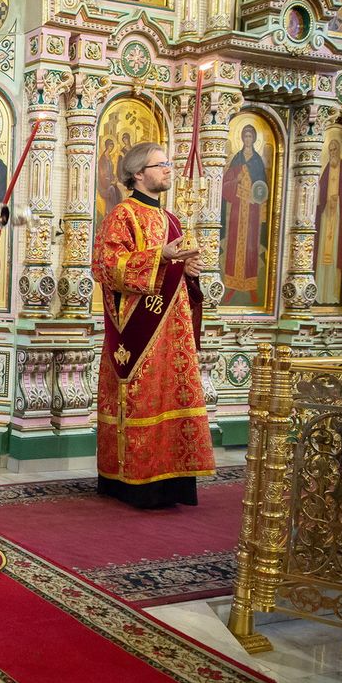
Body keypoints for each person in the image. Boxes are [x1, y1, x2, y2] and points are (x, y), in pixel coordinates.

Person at [91, 142, 215, 508]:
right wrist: (161, 255)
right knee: (141, 397)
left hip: (173, 331)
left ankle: (172, 482)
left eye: (168, 163)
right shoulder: (122, 215)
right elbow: (106, 267)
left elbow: (177, 272)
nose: (168, 169)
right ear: (137, 174)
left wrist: (188, 270)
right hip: (138, 331)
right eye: (160, 164)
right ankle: (134, 483)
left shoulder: (172, 219)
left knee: (172, 394)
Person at [221, 125, 268, 305]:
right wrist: (236, 179)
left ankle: (251, 286)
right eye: (245, 136)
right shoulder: (237, 158)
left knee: (250, 246)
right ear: (242, 138)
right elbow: (226, 184)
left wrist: (256, 195)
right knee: (234, 244)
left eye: (250, 136)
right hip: (237, 208)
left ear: (254, 139)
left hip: (252, 211)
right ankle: (232, 286)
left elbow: (263, 188)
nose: (248, 139)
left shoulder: (257, 161)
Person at [315, 137, 342, 305]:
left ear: (339, 151)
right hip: (325, 217)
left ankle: (332, 295)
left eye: (335, 150)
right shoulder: (326, 170)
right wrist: (325, 201)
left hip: (337, 219)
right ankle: (319, 294)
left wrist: (337, 201)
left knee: (335, 253)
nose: (332, 153)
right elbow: (320, 193)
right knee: (322, 254)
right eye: (330, 150)